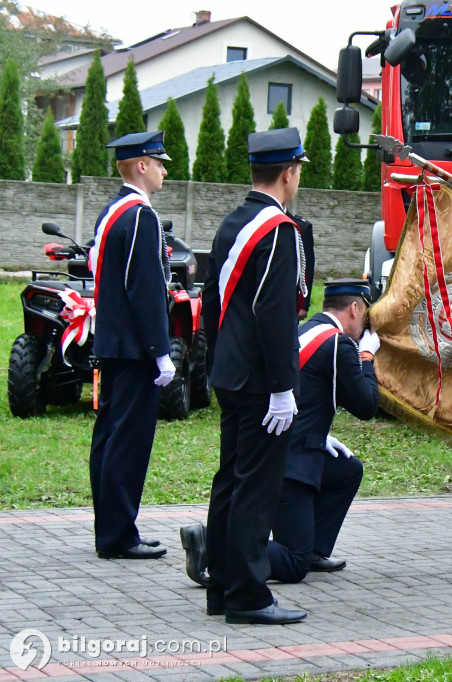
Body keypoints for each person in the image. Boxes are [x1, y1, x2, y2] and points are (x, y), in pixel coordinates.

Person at [181, 280, 379, 586]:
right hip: (291, 463)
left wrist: (318, 433)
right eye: (366, 315)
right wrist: (367, 356)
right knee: (292, 563)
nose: (365, 325)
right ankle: (214, 544)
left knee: (346, 470)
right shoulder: (338, 344)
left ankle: (314, 549)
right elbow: (366, 406)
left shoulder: (302, 332)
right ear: (355, 308)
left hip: (283, 445)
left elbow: (301, 392)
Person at [200, 128, 309, 625]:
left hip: (231, 369)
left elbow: (212, 301)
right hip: (262, 382)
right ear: (288, 172)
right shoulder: (278, 230)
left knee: (230, 481)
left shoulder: (233, 222)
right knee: (255, 488)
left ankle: (220, 585)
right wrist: (284, 387)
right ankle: (248, 594)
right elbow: (275, 315)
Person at [88, 131, 176, 560]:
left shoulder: (112, 212)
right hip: (134, 349)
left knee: (109, 437)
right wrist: (160, 350)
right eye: (158, 162)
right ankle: (119, 536)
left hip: (114, 342)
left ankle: (111, 528)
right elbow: (145, 288)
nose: (164, 169)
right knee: (127, 441)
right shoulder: (141, 216)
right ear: (140, 165)